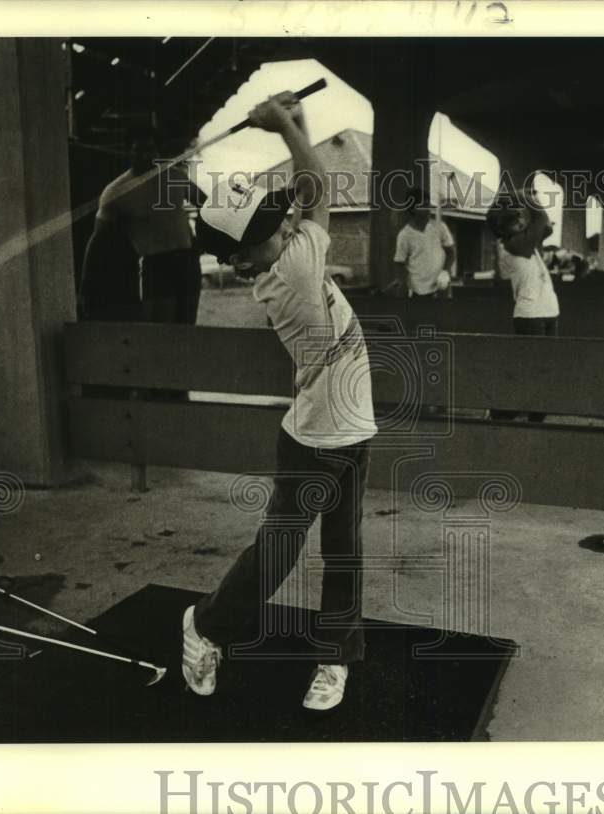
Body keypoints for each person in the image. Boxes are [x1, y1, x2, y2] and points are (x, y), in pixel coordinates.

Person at [183, 91, 377, 712]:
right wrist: (285, 125)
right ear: (242, 259)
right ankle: (205, 628)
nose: (284, 221)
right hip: (316, 438)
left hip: (351, 428)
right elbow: (315, 181)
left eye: (277, 215)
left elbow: (303, 189)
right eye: (270, 225)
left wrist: (295, 121)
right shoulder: (290, 271)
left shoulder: (285, 250)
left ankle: (334, 657)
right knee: (281, 551)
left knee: (344, 549)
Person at [80, 124, 202, 328]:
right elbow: (96, 242)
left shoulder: (175, 176)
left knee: (188, 332)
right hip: (157, 266)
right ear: (129, 152)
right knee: (161, 334)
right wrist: (85, 289)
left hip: (187, 263)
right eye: (139, 150)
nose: (146, 155)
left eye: (150, 149)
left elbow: (207, 206)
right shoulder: (116, 191)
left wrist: (203, 240)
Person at [486, 184, 559, 422]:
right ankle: (501, 412)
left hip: (546, 311)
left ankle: (531, 419)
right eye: (515, 220)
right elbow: (542, 218)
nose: (520, 221)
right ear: (504, 227)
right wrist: (525, 197)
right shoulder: (512, 246)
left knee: (544, 372)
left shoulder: (523, 241)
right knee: (533, 371)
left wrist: (523, 202)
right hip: (531, 315)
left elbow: (545, 227)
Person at [393, 189, 456, 297]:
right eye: (423, 206)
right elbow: (399, 263)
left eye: (428, 204)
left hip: (441, 288)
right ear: (413, 209)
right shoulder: (404, 235)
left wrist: (445, 272)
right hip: (418, 292)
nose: (428, 209)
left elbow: (451, 252)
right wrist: (403, 284)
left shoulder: (440, 227)